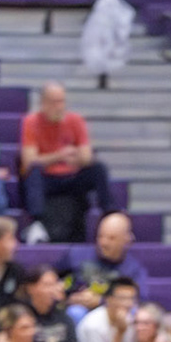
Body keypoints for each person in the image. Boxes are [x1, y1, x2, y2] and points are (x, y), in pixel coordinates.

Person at [21, 83, 112, 245]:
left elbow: (86, 156)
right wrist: (59, 156)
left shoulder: (75, 120)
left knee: (98, 168)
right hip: (47, 179)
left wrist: (76, 159)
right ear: (43, 103)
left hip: (71, 177)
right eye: (55, 102)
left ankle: (110, 216)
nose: (59, 106)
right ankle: (37, 223)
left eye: (62, 101)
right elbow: (29, 160)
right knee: (33, 171)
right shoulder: (31, 122)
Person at [59, 213, 147, 312]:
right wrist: (69, 298)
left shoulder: (132, 270)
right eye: (100, 236)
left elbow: (138, 302)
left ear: (126, 240)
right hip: (75, 311)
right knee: (75, 312)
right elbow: (52, 281)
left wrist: (101, 301)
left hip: (111, 317)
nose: (103, 243)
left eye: (111, 238)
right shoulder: (75, 255)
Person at [76, 277, 139, 342]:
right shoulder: (92, 326)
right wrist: (120, 333)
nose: (128, 304)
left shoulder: (131, 319)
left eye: (132, 298)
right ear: (108, 299)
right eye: (122, 298)